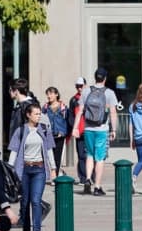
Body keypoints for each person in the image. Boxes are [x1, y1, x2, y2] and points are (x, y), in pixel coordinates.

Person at [8, 102, 53, 231]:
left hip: (39, 169)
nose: (39, 116)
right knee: (25, 202)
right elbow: (14, 152)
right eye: (36, 114)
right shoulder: (20, 131)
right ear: (28, 115)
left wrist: (53, 169)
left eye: (40, 113)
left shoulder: (45, 130)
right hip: (24, 170)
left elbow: (49, 150)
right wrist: (9, 171)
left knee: (36, 200)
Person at [71, 67, 119, 196]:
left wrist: (75, 128)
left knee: (90, 155)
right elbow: (113, 113)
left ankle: (87, 179)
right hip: (102, 129)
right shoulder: (109, 93)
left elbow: (80, 111)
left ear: (95, 77)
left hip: (88, 128)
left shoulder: (86, 92)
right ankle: (97, 186)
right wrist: (114, 130)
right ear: (105, 78)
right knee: (100, 158)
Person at [65, 76, 90, 186]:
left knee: (90, 154)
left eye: (81, 86)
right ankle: (83, 177)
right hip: (79, 131)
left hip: (90, 130)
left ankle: (90, 176)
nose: (80, 88)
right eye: (78, 86)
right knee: (81, 155)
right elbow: (70, 115)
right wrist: (72, 128)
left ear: (85, 85)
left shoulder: (90, 98)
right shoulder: (74, 100)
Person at [43, 87, 68, 179]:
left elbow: (67, 120)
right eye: (48, 94)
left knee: (58, 157)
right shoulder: (45, 107)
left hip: (60, 135)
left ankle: (56, 176)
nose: (49, 96)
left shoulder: (63, 107)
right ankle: (53, 174)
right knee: (50, 156)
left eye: (51, 93)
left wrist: (64, 132)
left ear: (56, 94)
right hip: (49, 135)